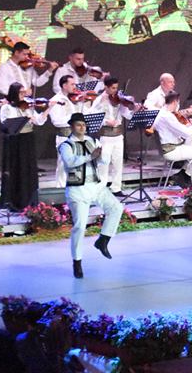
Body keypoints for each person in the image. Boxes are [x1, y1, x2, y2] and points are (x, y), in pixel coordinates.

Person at [58, 113, 123, 279]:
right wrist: (90, 156)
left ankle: (103, 240)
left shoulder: (92, 141)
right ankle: (77, 261)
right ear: (72, 127)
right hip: (77, 190)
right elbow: (70, 162)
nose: (82, 128)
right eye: (78, 125)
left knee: (116, 208)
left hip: (95, 186)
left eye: (83, 125)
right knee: (80, 226)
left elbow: (103, 161)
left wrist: (102, 155)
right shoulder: (66, 145)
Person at [0, 83, 48, 211]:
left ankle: (30, 202)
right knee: (17, 170)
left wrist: (48, 109)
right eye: (20, 92)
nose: (23, 95)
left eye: (24, 92)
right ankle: (16, 202)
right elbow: (6, 124)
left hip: (28, 139)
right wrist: (24, 118)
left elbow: (39, 121)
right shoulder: (7, 107)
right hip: (15, 141)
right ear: (14, 93)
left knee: (29, 169)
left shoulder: (27, 106)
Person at [89, 76, 137, 196]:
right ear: (106, 87)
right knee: (104, 163)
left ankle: (116, 188)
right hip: (106, 136)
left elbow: (127, 115)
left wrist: (135, 110)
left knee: (118, 163)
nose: (115, 91)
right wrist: (106, 121)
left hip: (118, 136)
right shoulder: (99, 100)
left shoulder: (119, 99)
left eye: (116, 88)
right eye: (113, 88)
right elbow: (91, 115)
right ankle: (101, 188)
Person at [152, 91, 192, 188]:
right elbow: (186, 133)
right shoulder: (168, 116)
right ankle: (185, 175)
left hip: (169, 147)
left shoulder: (161, 113)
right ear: (175, 102)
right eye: (178, 102)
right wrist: (191, 126)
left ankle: (183, 173)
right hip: (172, 150)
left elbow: (176, 130)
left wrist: (185, 126)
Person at [48, 74, 89, 187]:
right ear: (64, 85)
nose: (75, 86)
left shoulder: (76, 99)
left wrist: (86, 103)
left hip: (78, 137)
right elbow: (56, 121)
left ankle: (76, 191)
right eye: (72, 84)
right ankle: (61, 191)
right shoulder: (56, 100)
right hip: (64, 137)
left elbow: (87, 113)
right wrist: (73, 119)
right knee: (63, 166)